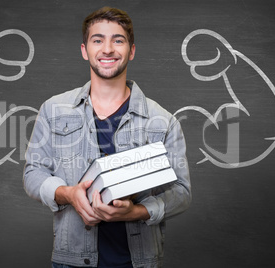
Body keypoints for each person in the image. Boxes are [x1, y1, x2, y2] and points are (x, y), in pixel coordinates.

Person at [23, 7, 191, 268]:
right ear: (84, 50)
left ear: (131, 51)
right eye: (98, 40)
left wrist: (135, 212)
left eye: (118, 40)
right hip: (72, 261)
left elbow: (181, 191)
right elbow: (33, 173)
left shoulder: (163, 121)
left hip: (137, 262)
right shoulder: (53, 110)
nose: (108, 49)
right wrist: (68, 194)